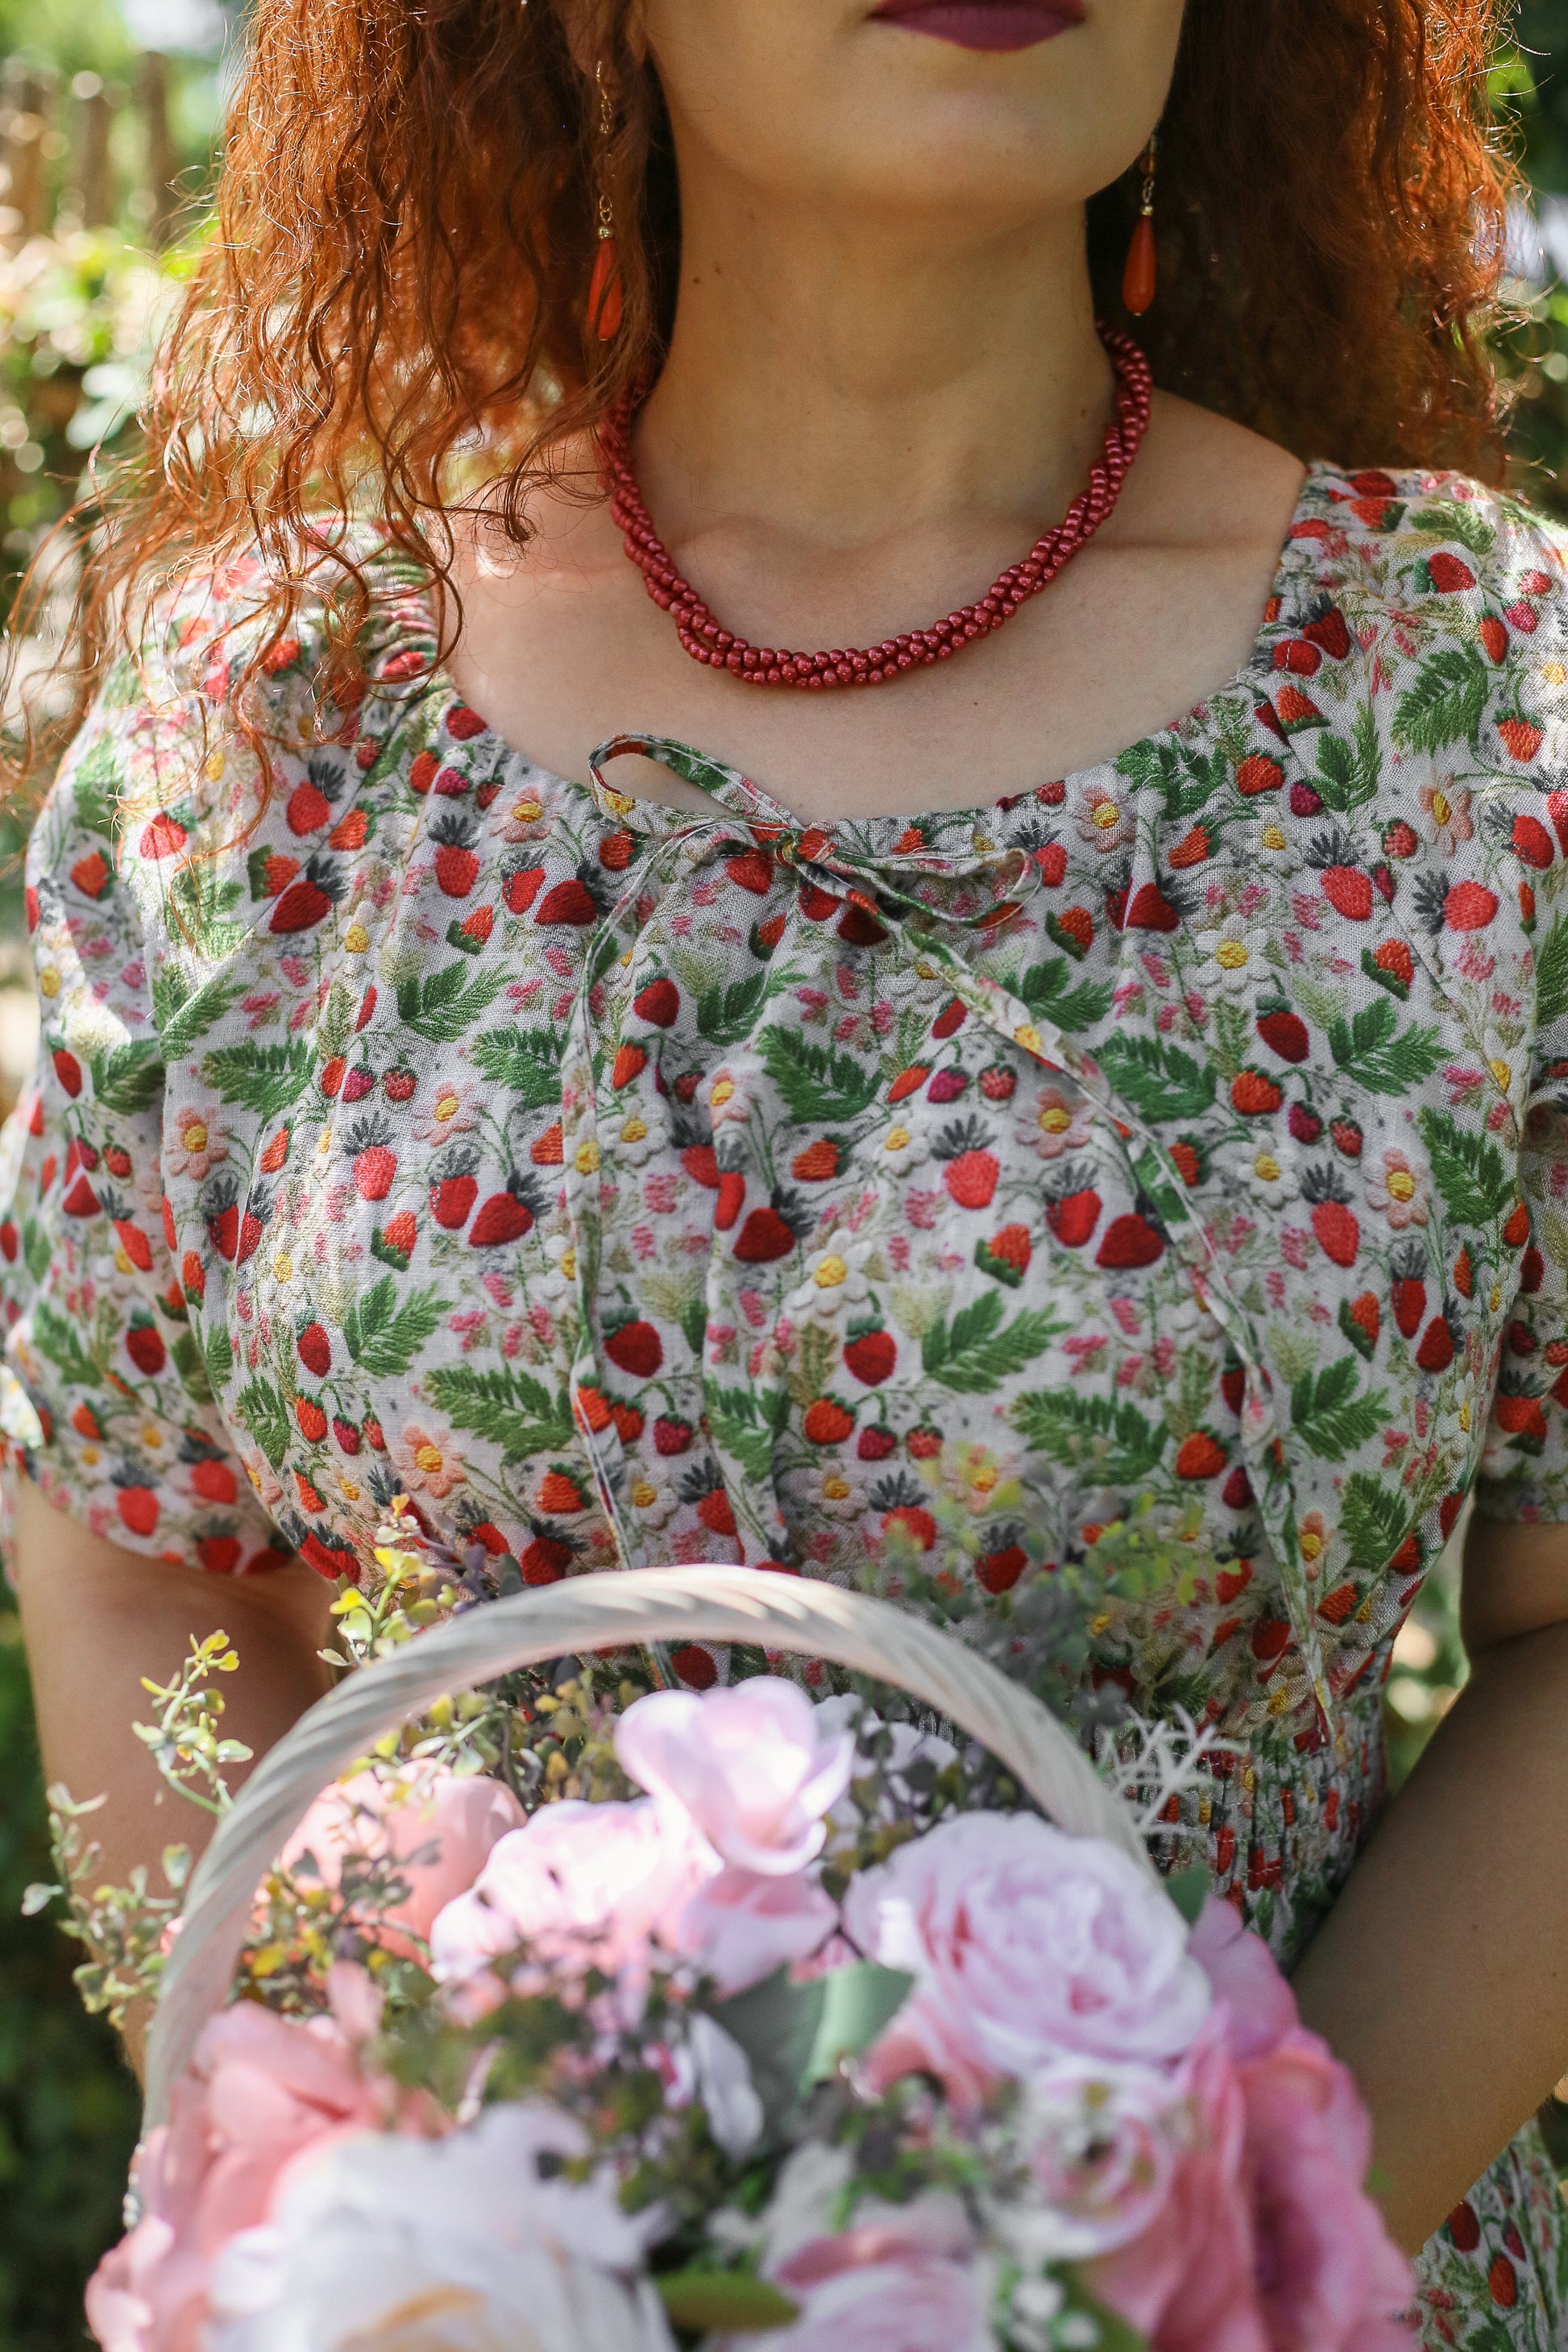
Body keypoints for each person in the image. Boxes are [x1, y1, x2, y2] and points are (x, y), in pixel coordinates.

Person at [2, 0, 1565, 2336]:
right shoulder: (282, 703)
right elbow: (136, 1545)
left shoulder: (1476, 705)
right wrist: (415, 2228)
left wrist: (1171, 2290)